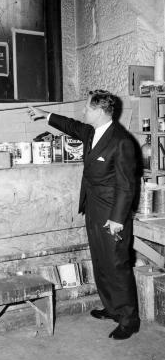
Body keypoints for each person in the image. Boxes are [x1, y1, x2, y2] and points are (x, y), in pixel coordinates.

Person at [28, 90, 140, 340]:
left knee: (117, 266)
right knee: (101, 262)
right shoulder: (93, 132)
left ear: (100, 112)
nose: (83, 112)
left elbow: (126, 185)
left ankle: (129, 319)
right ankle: (112, 309)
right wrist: (45, 116)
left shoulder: (121, 141)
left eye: (87, 108)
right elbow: (72, 125)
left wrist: (117, 220)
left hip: (113, 214)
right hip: (94, 208)